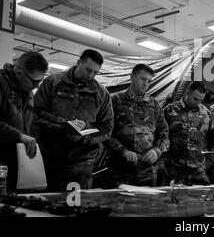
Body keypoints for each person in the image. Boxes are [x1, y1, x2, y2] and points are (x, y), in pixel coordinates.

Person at [34, 49, 114, 191]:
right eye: (88, 70)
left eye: (95, 72)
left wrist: (84, 136)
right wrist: (63, 125)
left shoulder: (101, 93)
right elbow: (36, 113)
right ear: (78, 63)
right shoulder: (53, 82)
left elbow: (107, 127)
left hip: (82, 161)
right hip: (50, 155)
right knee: (47, 203)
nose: (91, 75)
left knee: (77, 205)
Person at [105, 64, 169, 187]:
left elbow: (164, 134)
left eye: (149, 81)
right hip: (120, 169)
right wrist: (122, 151)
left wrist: (157, 151)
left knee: (147, 203)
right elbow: (106, 133)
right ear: (132, 77)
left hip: (147, 171)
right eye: (143, 79)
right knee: (119, 204)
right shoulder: (115, 101)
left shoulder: (154, 105)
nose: (146, 84)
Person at [0, 51, 48, 191]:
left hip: (17, 160)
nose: (37, 86)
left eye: (40, 81)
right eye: (34, 81)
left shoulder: (27, 91)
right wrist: (18, 136)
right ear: (19, 72)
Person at [163, 81, 214, 185]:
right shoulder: (169, 111)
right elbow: (160, 135)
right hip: (174, 168)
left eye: (201, 100)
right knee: (171, 198)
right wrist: (162, 160)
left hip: (198, 169)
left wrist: (208, 163)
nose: (197, 103)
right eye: (195, 99)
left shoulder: (206, 113)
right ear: (188, 93)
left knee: (200, 198)